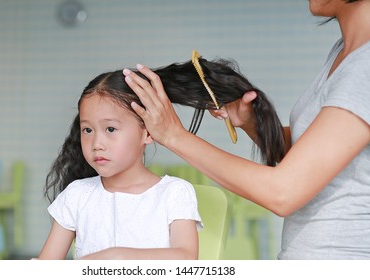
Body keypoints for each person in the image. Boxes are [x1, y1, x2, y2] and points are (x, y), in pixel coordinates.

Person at [123, 0, 370, 259]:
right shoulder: (344, 53)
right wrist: (253, 123)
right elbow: (313, 163)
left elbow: (283, 192)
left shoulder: (364, 67)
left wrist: (174, 135)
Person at [37, 70, 202, 260]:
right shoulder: (76, 195)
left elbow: (186, 259)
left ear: (147, 133)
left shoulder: (174, 192)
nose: (97, 144)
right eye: (87, 130)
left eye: (110, 129)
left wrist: (118, 257)